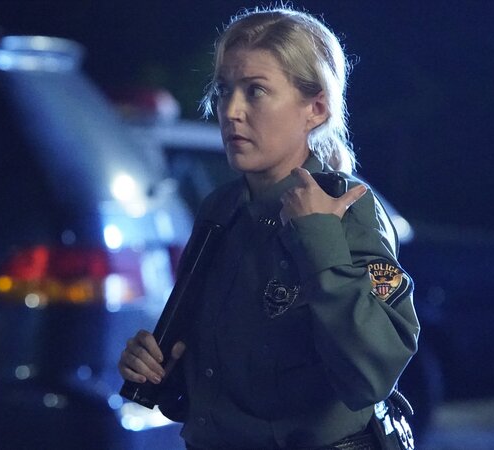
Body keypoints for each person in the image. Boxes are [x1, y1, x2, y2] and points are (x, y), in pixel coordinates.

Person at [117, 6, 419, 450]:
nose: (231, 111)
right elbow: (230, 380)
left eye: (256, 91)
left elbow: (373, 372)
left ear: (315, 107)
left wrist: (319, 237)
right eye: (224, 90)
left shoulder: (348, 210)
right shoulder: (223, 209)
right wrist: (160, 369)